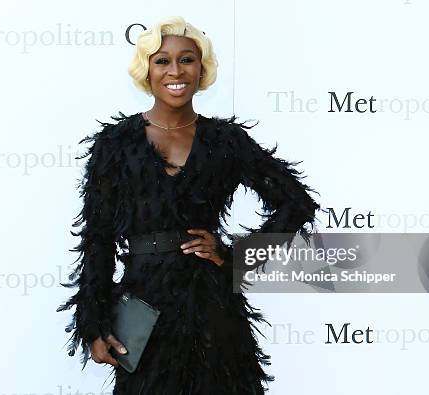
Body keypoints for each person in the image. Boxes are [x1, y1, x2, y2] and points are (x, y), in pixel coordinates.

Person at [57, 16, 320, 394]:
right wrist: (94, 325)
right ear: (146, 70)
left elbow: (296, 202)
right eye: (162, 61)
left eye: (187, 60)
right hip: (145, 310)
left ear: (202, 69)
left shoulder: (226, 141)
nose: (175, 71)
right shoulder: (115, 144)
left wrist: (236, 256)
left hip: (212, 307)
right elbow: (97, 238)